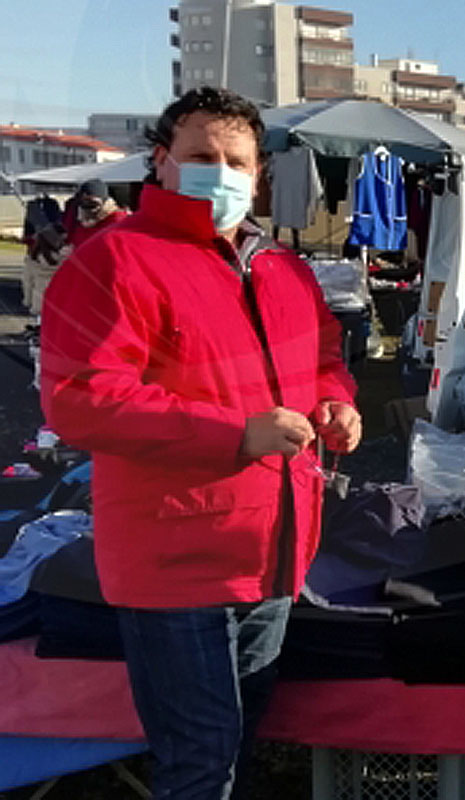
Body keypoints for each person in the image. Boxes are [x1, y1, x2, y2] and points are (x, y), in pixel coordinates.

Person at [39, 86, 360, 800]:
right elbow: (81, 401)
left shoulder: (282, 268)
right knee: (202, 762)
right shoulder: (113, 261)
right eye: (202, 157)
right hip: (175, 566)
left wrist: (337, 400)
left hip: (271, 552)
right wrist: (237, 434)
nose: (222, 173)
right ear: (160, 162)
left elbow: (324, 357)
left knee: (240, 748)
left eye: (236, 161)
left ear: (258, 174)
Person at [64, 178, 128, 249]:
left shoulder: (117, 221)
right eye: (83, 201)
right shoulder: (82, 221)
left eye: (92, 201)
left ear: (104, 201)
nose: (87, 205)